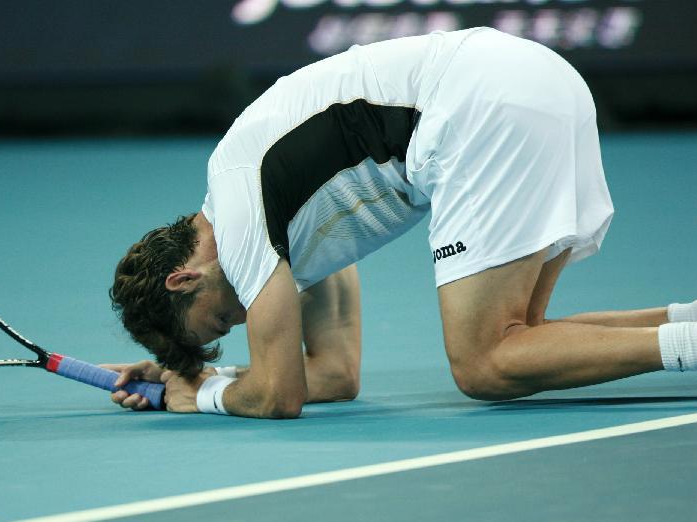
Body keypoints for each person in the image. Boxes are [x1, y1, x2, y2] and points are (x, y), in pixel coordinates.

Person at [104, 27, 697, 418]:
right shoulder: (285, 229)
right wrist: (194, 370)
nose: (241, 322)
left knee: (485, 364)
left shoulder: (240, 217)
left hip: (476, 107)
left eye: (219, 321)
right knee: (524, 338)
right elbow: (335, 375)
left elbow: (279, 394)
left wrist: (199, 395)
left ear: (184, 279)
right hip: (533, 78)